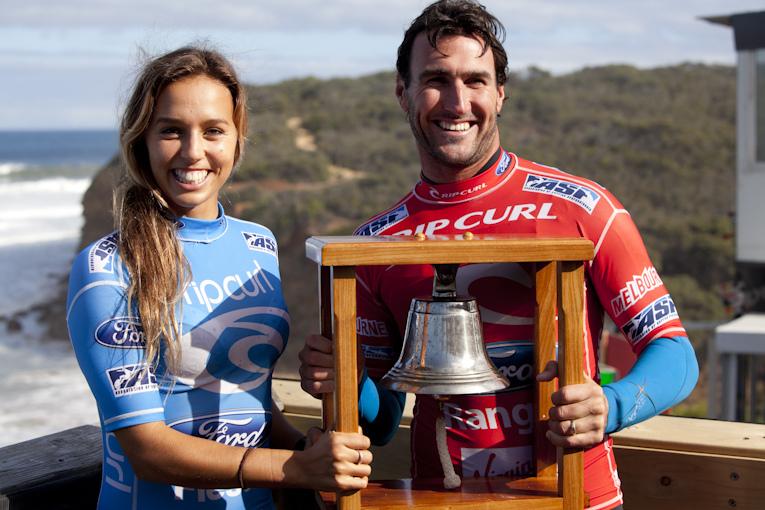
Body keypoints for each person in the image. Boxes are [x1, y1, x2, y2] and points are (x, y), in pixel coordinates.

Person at [298, 1, 698, 509]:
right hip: (440, 499)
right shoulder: (377, 245)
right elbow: (378, 422)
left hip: (579, 498)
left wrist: (611, 406)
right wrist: (344, 381)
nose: (457, 100)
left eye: (476, 80)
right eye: (436, 79)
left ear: (501, 93)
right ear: (403, 93)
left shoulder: (585, 209)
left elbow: (675, 354)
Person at [66, 46, 371, 510]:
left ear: (237, 137)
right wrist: (294, 470)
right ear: (142, 140)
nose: (193, 152)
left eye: (213, 131)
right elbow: (147, 449)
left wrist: (302, 447)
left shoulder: (259, 244)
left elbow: (245, 397)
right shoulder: (108, 266)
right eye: (171, 131)